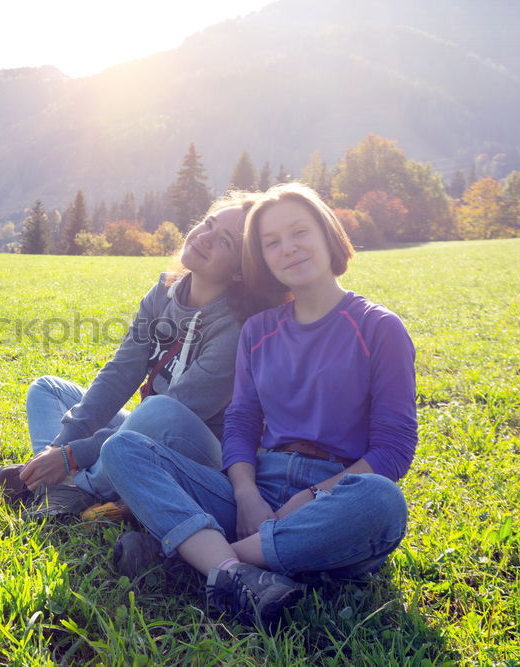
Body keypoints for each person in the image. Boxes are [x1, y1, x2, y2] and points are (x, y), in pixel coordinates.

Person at [100, 182, 417, 627]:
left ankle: (208, 561)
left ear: (327, 233)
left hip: (335, 499)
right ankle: (240, 568)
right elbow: (242, 423)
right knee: (122, 449)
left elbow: (393, 449)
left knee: (382, 503)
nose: (288, 249)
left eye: (299, 232)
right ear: (262, 260)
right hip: (254, 494)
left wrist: (308, 498)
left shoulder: (379, 327)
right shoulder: (259, 330)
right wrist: (247, 495)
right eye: (272, 243)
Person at [0, 191, 272, 520]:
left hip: (199, 453)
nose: (205, 238)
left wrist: (74, 456)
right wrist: (61, 447)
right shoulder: (163, 292)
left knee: (159, 410)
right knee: (48, 389)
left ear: (241, 272)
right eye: (208, 224)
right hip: (143, 427)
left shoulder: (236, 330)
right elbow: (119, 375)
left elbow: (177, 412)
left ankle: (79, 487)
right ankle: (49, 480)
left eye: (224, 241)